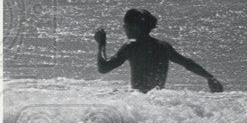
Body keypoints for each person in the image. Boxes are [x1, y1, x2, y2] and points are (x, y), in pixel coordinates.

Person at [94, 9, 223, 93]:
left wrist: (102, 43)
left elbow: (103, 68)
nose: (124, 28)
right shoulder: (163, 46)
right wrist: (209, 77)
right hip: (157, 99)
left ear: (134, 26)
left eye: (125, 25)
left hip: (139, 101)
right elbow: (187, 63)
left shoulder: (131, 46)